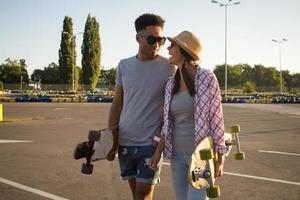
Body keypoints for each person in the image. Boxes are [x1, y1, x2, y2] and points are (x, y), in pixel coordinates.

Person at [149, 31, 229, 200]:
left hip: (201, 156)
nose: (168, 49)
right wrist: (158, 152)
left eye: (172, 46)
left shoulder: (207, 78)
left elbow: (217, 118)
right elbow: (167, 124)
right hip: (177, 156)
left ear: (183, 51)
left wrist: (220, 157)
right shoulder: (171, 83)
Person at [107, 13, 175, 200]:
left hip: (150, 143)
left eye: (160, 40)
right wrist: (111, 135)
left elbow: (173, 105)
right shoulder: (124, 66)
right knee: (135, 192)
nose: (157, 45)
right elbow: (117, 103)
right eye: (152, 39)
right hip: (125, 140)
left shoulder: (169, 67)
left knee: (143, 194)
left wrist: (160, 138)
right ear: (138, 38)